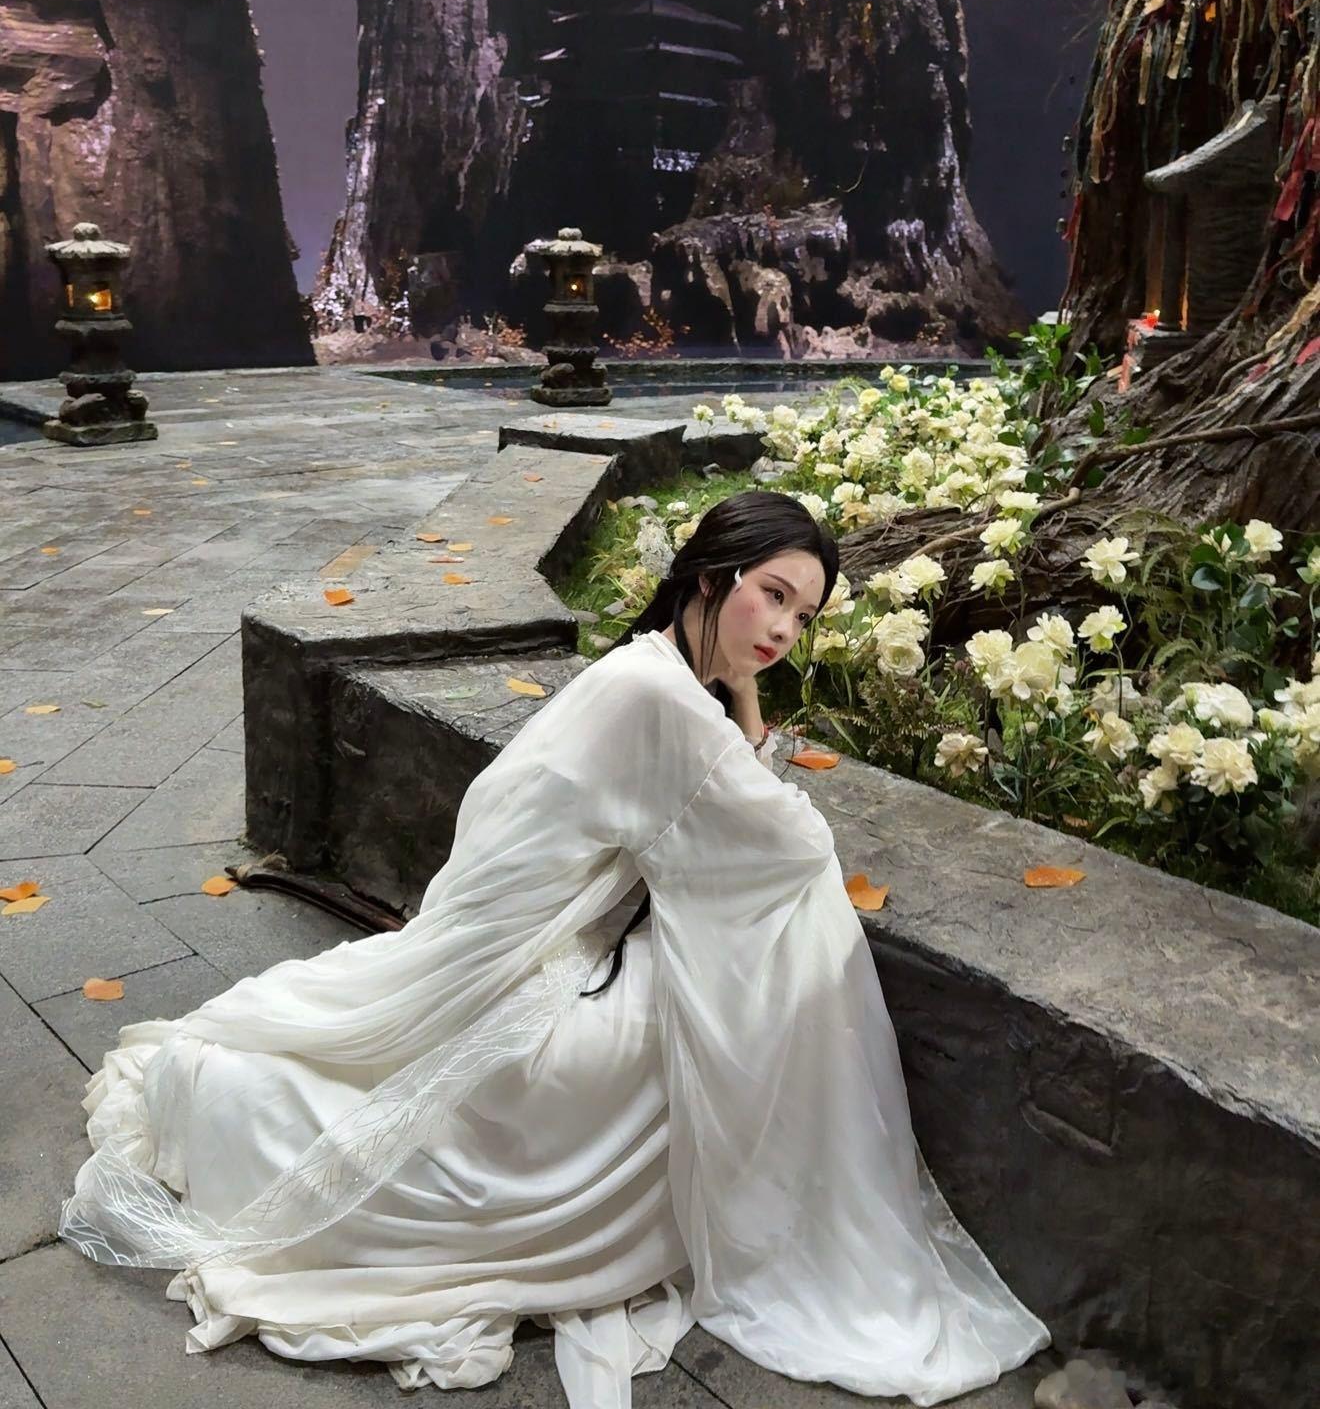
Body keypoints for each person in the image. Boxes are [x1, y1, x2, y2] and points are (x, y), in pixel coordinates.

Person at [59, 488, 1051, 1408]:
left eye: (804, 615)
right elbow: (791, 838)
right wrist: (746, 708)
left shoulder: (649, 671)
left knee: (715, 993)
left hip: (539, 940)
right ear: (712, 579)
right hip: (542, 957)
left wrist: (741, 692)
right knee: (694, 1020)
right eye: (774, 595)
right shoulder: (662, 701)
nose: (785, 630)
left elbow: (735, 808)